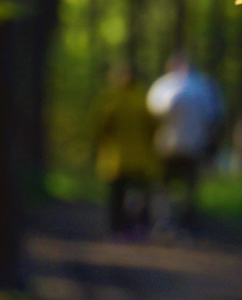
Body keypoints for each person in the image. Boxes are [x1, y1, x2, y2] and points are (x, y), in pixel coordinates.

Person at [146, 53, 224, 225]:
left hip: (166, 146)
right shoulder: (203, 86)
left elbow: (151, 116)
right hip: (194, 146)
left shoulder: (162, 86)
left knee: (164, 185)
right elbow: (214, 116)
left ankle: (163, 221)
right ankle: (188, 222)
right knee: (189, 187)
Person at [94, 69, 162, 237]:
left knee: (117, 195)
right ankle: (141, 225)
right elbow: (154, 126)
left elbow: (100, 127)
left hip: (116, 158)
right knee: (142, 194)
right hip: (140, 158)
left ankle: (117, 227)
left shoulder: (111, 100)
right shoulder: (144, 100)